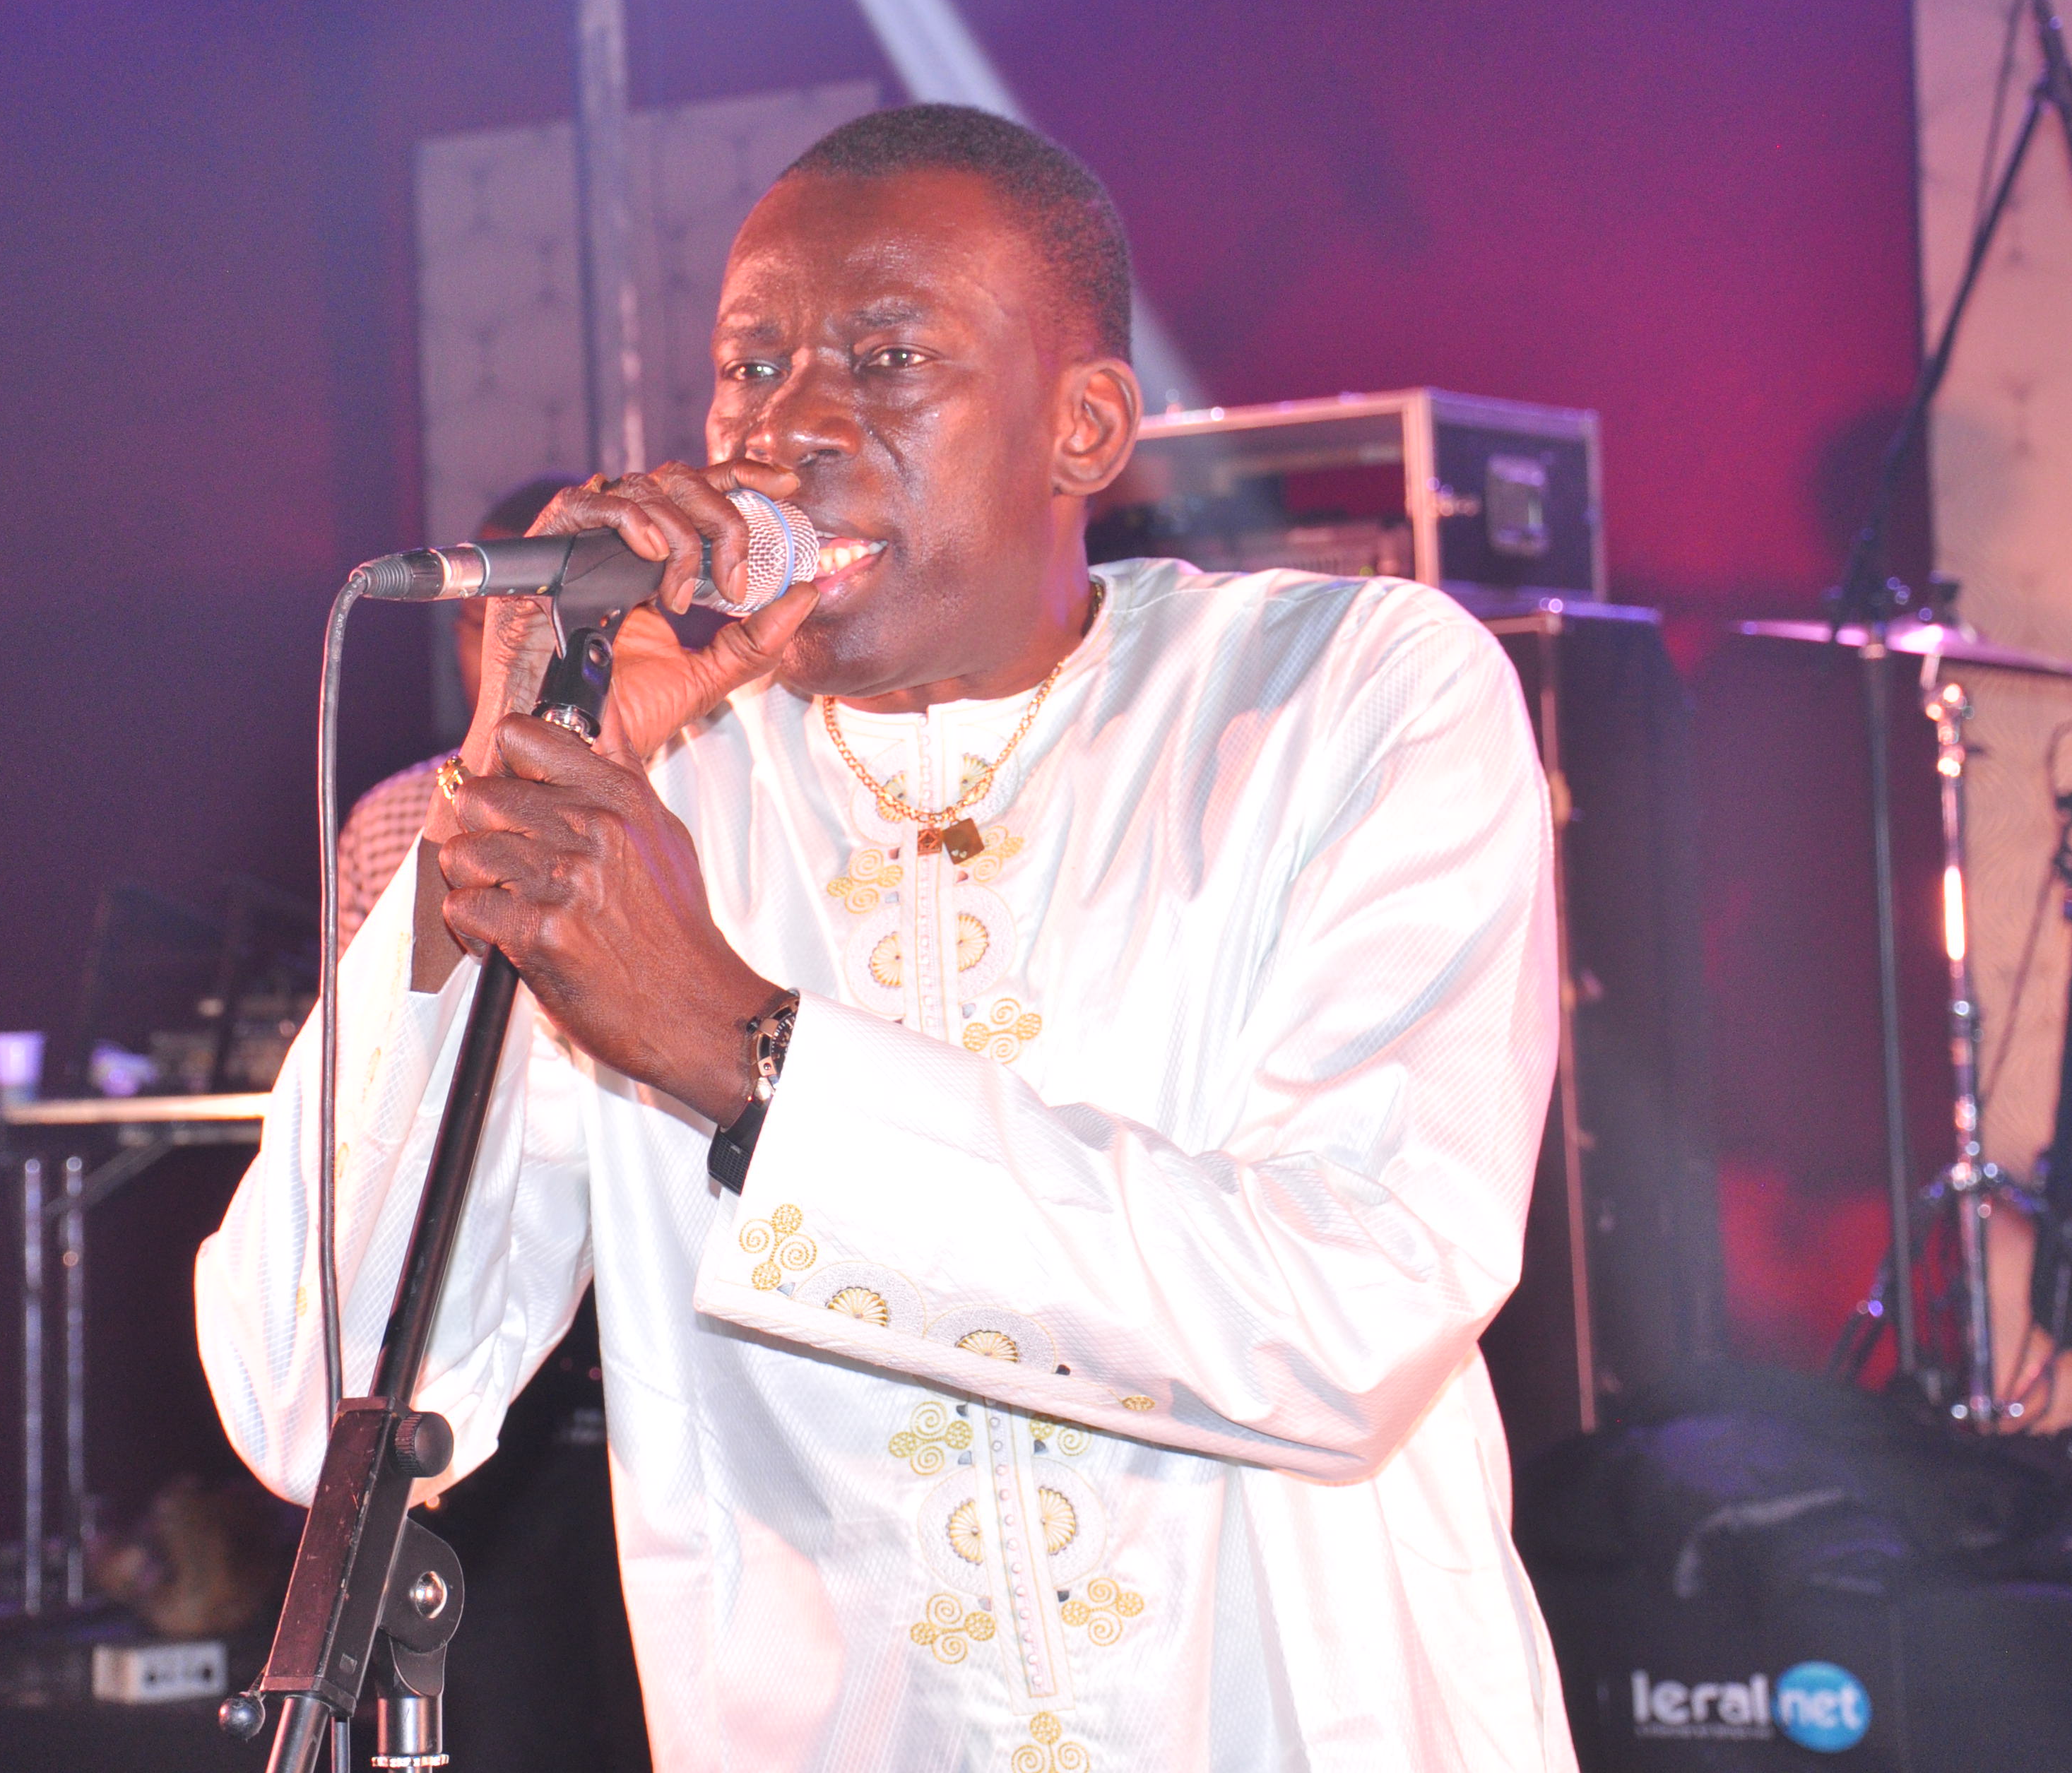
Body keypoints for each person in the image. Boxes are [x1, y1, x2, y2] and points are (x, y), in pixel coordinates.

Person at [201, 105, 1573, 1769]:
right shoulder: (666, 790)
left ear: (1083, 426)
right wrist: (521, 779)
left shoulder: (1345, 698)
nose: (789, 429)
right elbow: (307, 1392)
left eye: (885, 357)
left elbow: (1345, 1307)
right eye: (750, 367)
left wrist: (739, 1052)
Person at [328, 473, 579, 954]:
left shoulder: (683, 788)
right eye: (484, 629)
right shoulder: (387, 819)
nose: (511, 659)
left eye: (541, 633)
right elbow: (370, 1021)